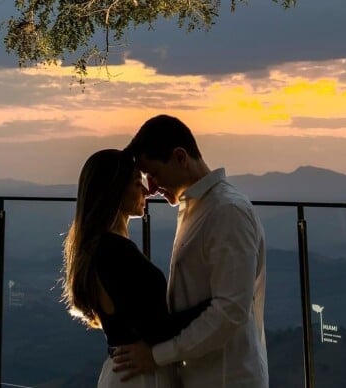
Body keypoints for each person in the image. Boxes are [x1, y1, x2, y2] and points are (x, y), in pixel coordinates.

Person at [112, 115, 268, 387]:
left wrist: (157, 355)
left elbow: (230, 309)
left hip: (226, 378)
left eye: (154, 174)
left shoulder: (226, 211)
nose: (151, 188)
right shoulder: (197, 209)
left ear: (181, 157)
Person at [62, 148, 210, 387]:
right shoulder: (115, 251)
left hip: (125, 373)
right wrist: (214, 304)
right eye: (135, 183)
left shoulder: (99, 248)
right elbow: (156, 329)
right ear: (114, 192)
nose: (145, 190)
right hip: (139, 377)